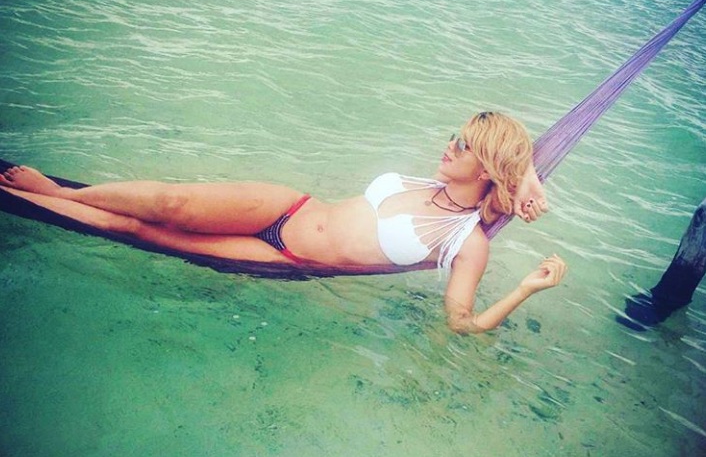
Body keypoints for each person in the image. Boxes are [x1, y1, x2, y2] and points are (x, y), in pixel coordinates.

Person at [0, 112, 567, 334]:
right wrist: (526, 178)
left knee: (142, 233)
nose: (449, 144)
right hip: (287, 207)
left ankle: (39, 202)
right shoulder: (432, 181)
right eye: (454, 134)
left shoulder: (467, 242)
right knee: (171, 202)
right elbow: (517, 160)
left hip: (286, 258)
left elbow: (462, 324)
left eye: (464, 145)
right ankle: (60, 191)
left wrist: (525, 288)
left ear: (486, 167)